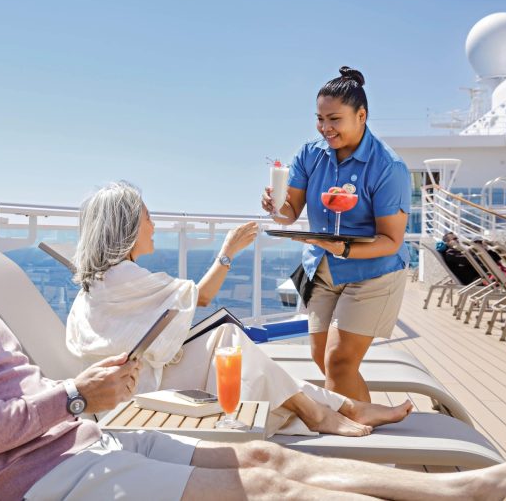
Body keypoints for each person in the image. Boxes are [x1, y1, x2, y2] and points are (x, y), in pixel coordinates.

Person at [0, 154, 506, 501]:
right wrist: (71, 400)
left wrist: (80, 405)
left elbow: (3, 393)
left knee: (269, 458)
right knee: (267, 489)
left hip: (77, 439)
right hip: (43, 476)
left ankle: (472, 488)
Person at [66, 181, 411, 438]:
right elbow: (199, 297)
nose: (154, 226)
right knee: (228, 340)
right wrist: (228, 251)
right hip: (137, 394)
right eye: (148, 218)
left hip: (130, 383)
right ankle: (329, 410)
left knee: (227, 340)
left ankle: (341, 406)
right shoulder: (123, 278)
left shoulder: (101, 281)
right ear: (126, 227)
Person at [262, 67, 411, 403]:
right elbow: (289, 214)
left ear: (361, 115)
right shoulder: (310, 154)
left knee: (339, 362)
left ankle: (357, 435)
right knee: (322, 359)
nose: (325, 128)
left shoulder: (388, 167)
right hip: (321, 269)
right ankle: (365, 418)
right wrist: (276, 205)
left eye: (334, 119)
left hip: (373, 272)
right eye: (319, 119)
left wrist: (342, 249)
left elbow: (391, 240)